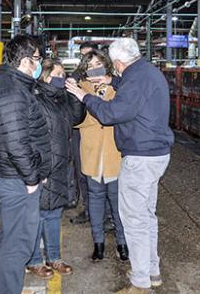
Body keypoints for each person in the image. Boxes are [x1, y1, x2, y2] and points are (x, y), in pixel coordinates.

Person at [65, 38, 174, 294]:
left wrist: (84, 96)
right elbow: (131, 93)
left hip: (140, 157)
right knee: (146, 217)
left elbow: (112, 113)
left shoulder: (135, 79)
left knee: (134, 222)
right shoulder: (147, 72)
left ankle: (140, 284)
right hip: (156, 155)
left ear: (117, 63)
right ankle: (151, 272)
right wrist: (110, 82)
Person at [0, 35, 51, 294]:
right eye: (37, 59)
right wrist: (32, 178)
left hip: (13, 175)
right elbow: (16, 143)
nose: (40, 63)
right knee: (18, 244)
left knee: (9, 239)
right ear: (25, 61)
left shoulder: (12, 85)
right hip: (17, 180)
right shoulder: (12, 91)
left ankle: (6, 288)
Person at [26, 59, 86, 279]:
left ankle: (54, 257)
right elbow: (30, 138)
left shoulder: (61, 99)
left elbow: (77, 118)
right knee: (37, 216)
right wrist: (35, 169)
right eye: (59, 73)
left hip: (61, 166)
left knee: (53, 214)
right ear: (46, 76)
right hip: (44, 168)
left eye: (64, 73)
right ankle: (34, 260)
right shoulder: (36, 99)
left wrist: (74, 94)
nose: (63, 77)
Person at [75, 49, 128, 262]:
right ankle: (98, 243)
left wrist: (111, 84)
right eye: (89, 64)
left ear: (105, 64)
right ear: (84, 69)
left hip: (115, 153)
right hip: (92, 153)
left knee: (118, 203)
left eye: (98, 62)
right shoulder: (80, 88)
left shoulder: (119, 86)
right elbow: (76, 120)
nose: (94, 67)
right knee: (95, 201)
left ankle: (122, 243)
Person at [69, 41, 99, 225]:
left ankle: (106, 214)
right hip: (81, 131)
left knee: (103, 174)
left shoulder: (108, 77)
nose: (86, 59)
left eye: (90, 55)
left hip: (103, 132)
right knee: (82, 172)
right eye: (83, 56)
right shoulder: (76, 76)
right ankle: (89, 210)